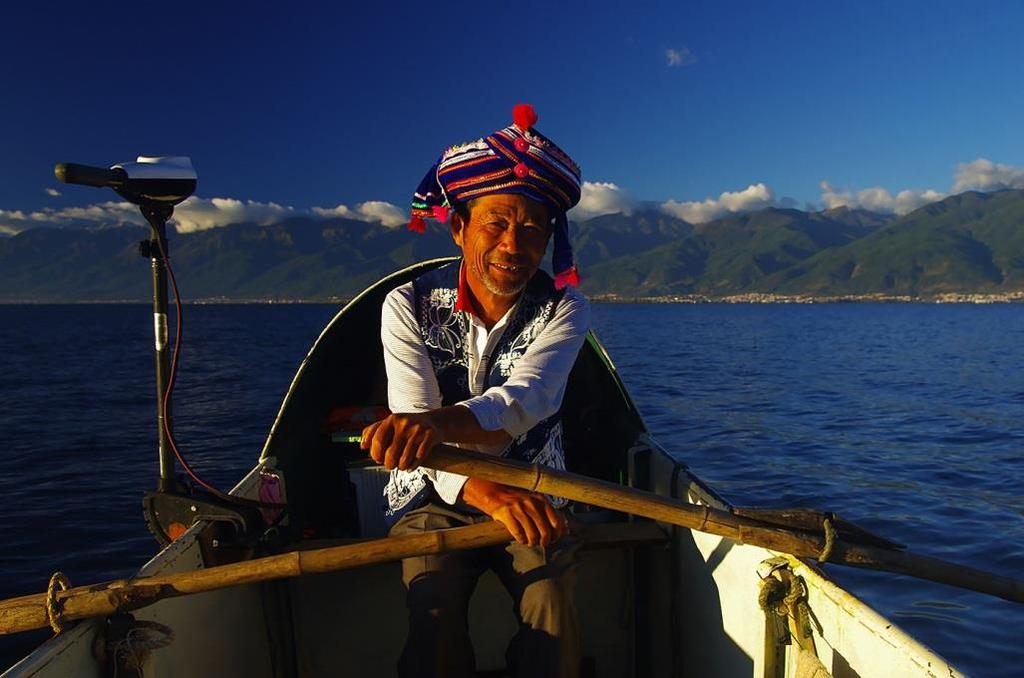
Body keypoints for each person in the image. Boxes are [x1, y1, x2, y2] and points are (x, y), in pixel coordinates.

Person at [360, 104, 589, 678]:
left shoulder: (565, 307)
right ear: (459, 227)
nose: (513, 244)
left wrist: (433, 427)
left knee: (552, 612)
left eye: (532, 228)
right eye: (496, 223)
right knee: (431, 615)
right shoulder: (406, 305)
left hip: (537, 493)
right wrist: (485, 490)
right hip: (431, 500)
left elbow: (527, 399)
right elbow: (416, 421)